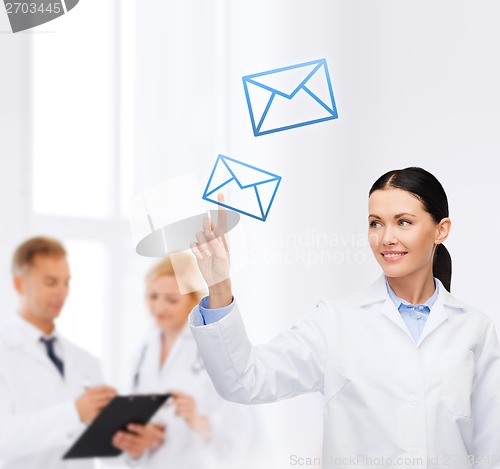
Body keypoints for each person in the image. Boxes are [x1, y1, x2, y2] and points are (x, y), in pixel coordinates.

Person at [188, 168, 500, 469]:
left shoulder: (475, 330)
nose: (386, 237)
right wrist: (219, 286)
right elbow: (244, 380)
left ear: (440, 229)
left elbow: (491, 450)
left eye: (403, 222)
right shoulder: (336, 322)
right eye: (376, 223)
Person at [111, 254, 255, 469]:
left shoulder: (212, 350)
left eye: (171, 299)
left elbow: (238, 438)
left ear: (191, 299)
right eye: (153, 297)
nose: (159, 307)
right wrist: (145, 438)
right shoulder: (142, 352)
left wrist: (198, 420)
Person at [0, 236, 117, 469]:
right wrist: (74, 413)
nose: (62, 293)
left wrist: (125, 438)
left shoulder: (86, 361)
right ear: (19, 284)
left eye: (66, 282)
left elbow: (102, 448)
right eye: (51, 282)